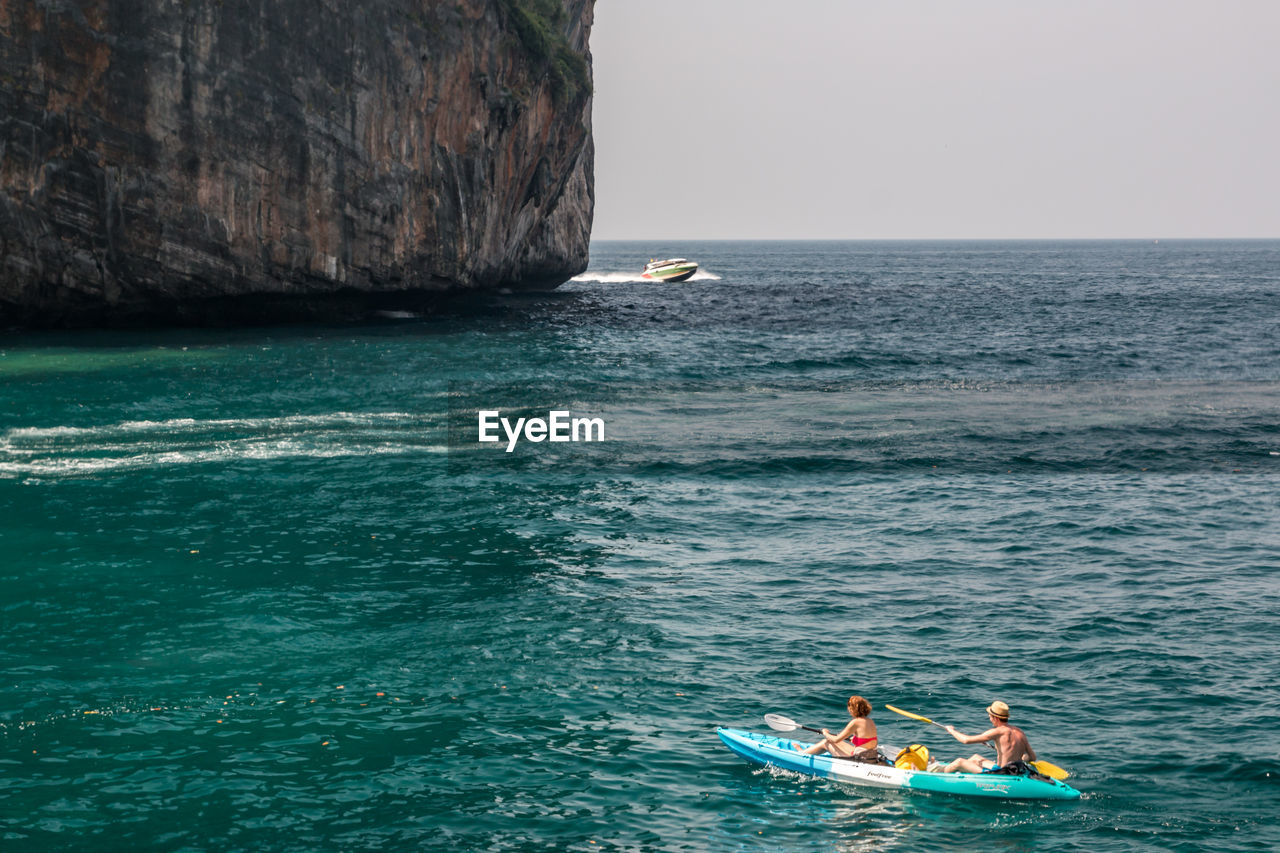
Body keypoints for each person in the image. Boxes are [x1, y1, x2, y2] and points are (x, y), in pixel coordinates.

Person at [942, 700, 1037, 773]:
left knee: (959, 761)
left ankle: (941, 776)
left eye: (990, 716)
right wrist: (1017, 757)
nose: (989, 718)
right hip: (1016, 770)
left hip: (1003, 773)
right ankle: (962, 773)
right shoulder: (1020, 732)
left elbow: (966, 740)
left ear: (995, 718)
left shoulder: (997, 731)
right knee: (976, 758)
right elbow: (1032, 757)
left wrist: (951, 731)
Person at [801, 695, 878, 759]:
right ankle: (806, 752)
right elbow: (866, 740)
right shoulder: (870, 721)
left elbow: (836, 740)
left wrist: (825, 733)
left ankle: (802, 754)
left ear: (852, 709)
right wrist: (854, 739)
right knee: (838, 741)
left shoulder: (855, 722)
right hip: (872, 756)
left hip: (860, 759)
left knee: (826, 742)